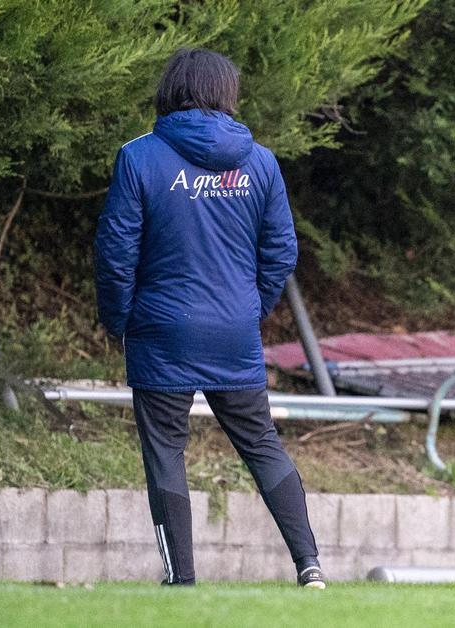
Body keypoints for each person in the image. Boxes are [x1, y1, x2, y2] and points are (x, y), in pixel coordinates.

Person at [95, 48, 324, 588]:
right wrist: (249, 309)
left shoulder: (139, 157)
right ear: (227, 92)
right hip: (233, 333)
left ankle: (182, 582)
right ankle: (310, 567)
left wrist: (118, 319)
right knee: (262, 445)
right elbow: (282, 253)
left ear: (172, 89)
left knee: (166, 454)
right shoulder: (261, 162)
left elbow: (115, 252)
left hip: (160, 331)